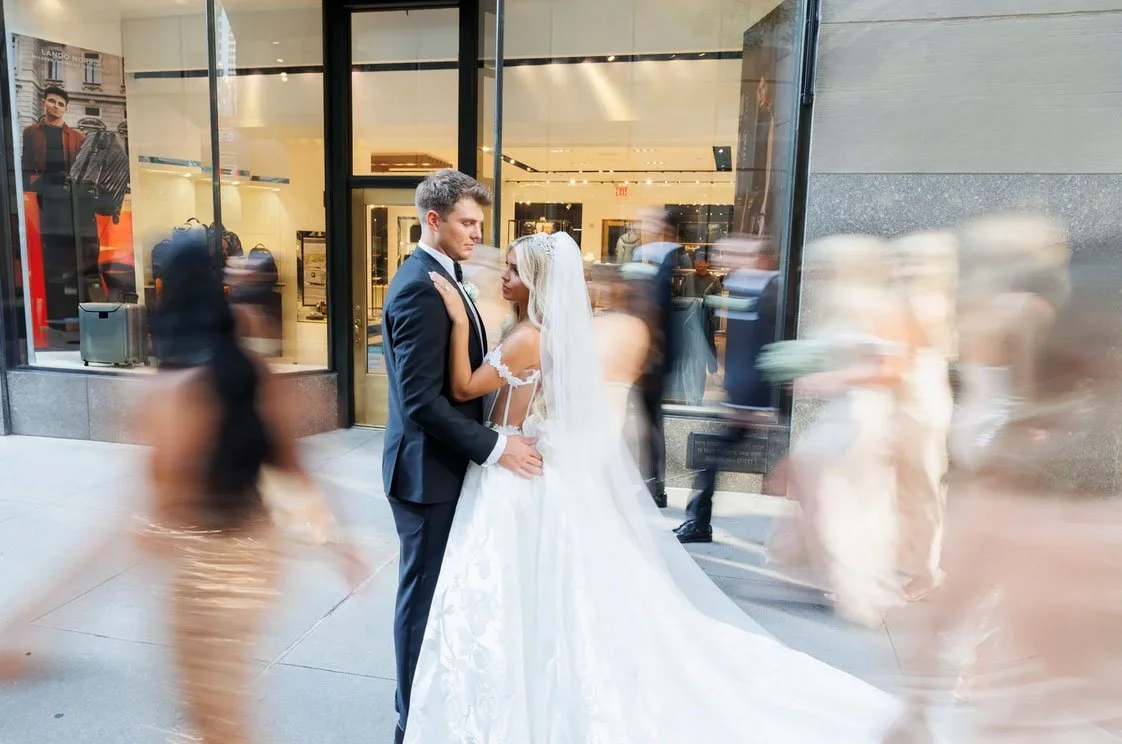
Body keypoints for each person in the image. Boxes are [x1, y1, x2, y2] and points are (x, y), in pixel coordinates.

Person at [403, 229, 903, 743]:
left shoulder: (529, 336)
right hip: (521, 455)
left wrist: (459, 322)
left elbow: (464, 386)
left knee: (507, 583)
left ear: (534, 278)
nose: (505, 277)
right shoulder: (550, 332)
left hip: (510, 467)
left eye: (513, 269)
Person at [0, 229, 362, 742]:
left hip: (201, 571)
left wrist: (34, 615)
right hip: (257, 557)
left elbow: (145, 511)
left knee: (213, 716)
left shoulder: (167, 392)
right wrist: (338, 543)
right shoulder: (250, 371)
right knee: (220, 711)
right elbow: (295, 466)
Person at [379, 169, 542, 744]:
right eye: (467, 223)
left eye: (479, 223)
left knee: (443, 597)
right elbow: (421, 402)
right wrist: (497, 447)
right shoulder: (419, 288)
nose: (477, 233)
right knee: (422, 600)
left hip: (448, 468)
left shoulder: (445, 278)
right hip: (427, 473)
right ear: (433, 219)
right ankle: (409, 718)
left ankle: (435, 706)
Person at [677, 237, 779, 544]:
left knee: (710, 460)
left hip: (750, 399)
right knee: (710, 461)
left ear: (760, 258)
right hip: (740, 395)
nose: (727, 258)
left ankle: (699, 523)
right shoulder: (745, 285)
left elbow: (761, 347)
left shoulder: (769, 290)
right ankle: (698, 521)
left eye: (737, 253)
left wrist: (754, 404)